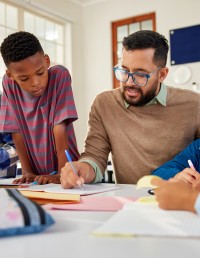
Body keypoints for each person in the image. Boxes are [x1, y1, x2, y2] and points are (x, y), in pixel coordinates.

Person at [60, 30, 200, 189]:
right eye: (124, 71)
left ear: (162, 74)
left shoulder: (194, 104)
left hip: (179, 201)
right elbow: (95, 156)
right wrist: (82, 169)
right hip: (129, 203)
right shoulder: (104, 103)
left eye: (140, 74)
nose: (129, 82)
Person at [0, 31, 79, 184]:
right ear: (10, 75)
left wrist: (61, 174)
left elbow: (59, 127)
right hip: (37, 176)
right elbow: (16, 130)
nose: (35, 83)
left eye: (40, 73)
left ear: (47, 61)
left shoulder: (59, 75)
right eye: (24, 78)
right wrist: (27, 171)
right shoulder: (9, 84)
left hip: (68, 169)